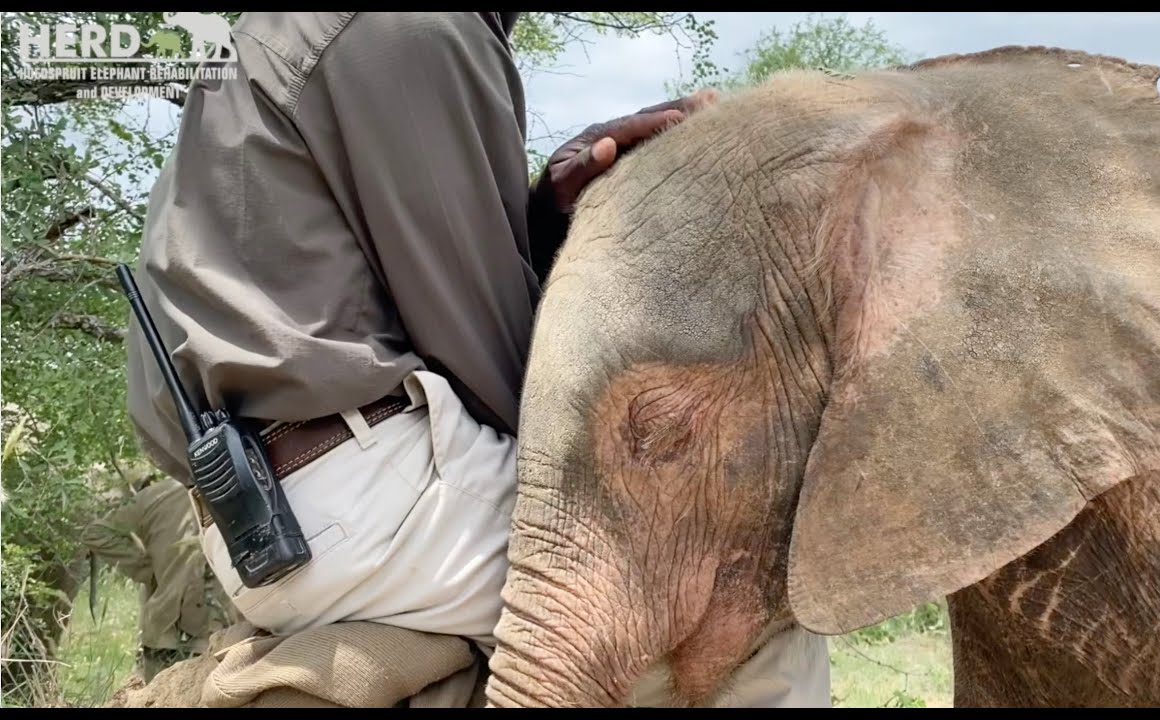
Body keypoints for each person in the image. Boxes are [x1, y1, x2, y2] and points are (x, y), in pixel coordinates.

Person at [123, 11, 829, 707]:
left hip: (263, 517)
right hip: (374, 501)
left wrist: (543, 215)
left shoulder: (291, 27)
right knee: (745, 601)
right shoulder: (418, 25)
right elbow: (498, 370)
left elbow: (374, 287)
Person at [82, 463, 239, 682]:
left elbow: (96, 533)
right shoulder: (235, 489)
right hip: (216, 636)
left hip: (166, 633)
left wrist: (148, 569)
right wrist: (148, 570)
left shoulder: (157, 494)